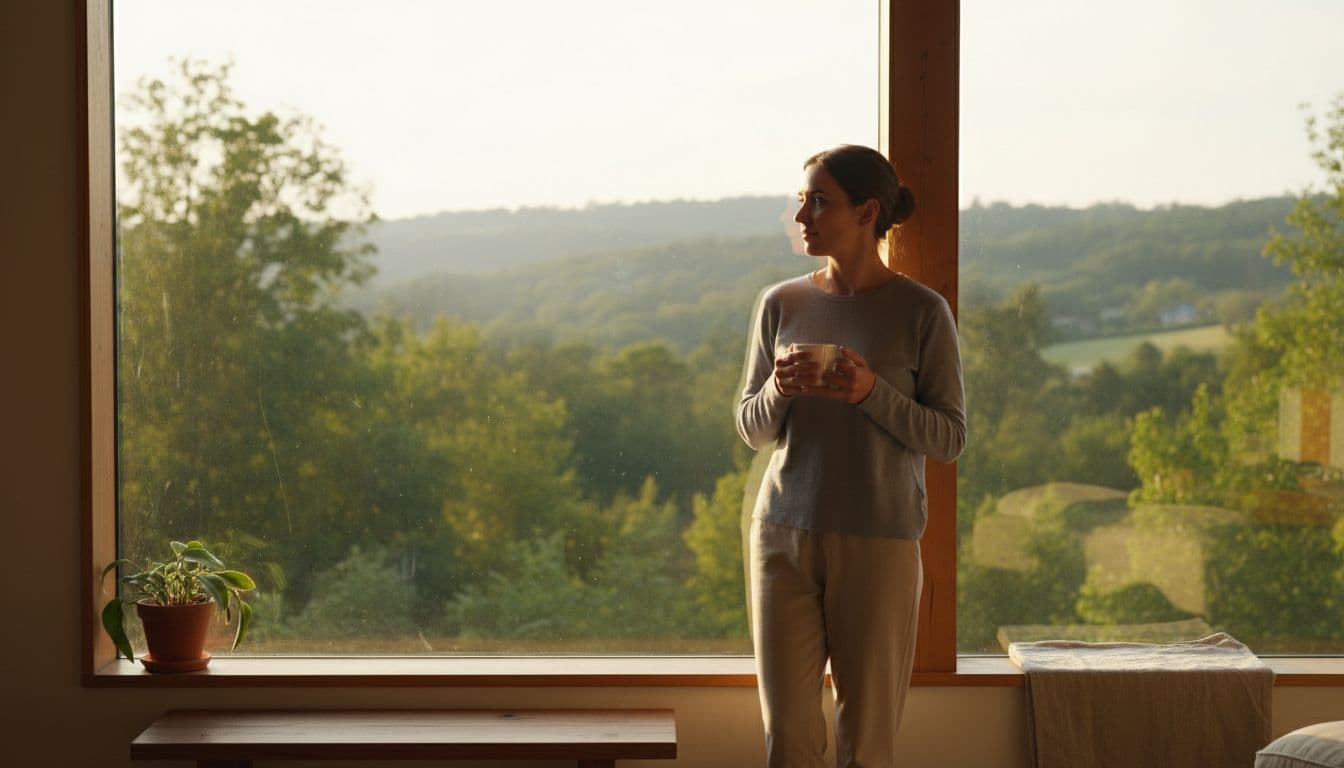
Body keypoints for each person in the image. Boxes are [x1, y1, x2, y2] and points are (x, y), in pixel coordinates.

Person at [736, 144, 966, 768]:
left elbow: (948, 438)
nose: (801, 215)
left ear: (867, 213)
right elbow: (753, 429)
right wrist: (779, 388)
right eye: (802, 199)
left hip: (879, 541)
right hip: (782, 535)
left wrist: (870, 393)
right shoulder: (781, 303)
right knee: (788, 738)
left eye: (818, 201)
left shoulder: (922, 312)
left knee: (865, 742)